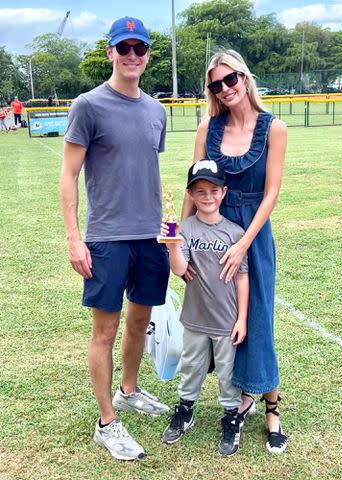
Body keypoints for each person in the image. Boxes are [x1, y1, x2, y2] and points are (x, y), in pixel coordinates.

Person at [59, 16, 170, 461]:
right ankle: (107, 423)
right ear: (110, 53)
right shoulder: (88, 105)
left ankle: (128, 391)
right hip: (106, 238)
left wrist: (171, 235)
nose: (131, 56)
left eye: (139, 49)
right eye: (123, 48)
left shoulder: (156, 110)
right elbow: (68, 175)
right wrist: (73, 238)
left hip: (149, 238)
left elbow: (151, 176)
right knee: (105, 331)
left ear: (146, 56)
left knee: (140, 321)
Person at [182, 50, 288, 454]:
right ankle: (238, 399)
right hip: (212, 233)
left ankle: (271, 406)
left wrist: (244, 240)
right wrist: (181, 241)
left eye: (231, 79)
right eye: (216, 84)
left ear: (245, 77)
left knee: (257, 316)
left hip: (253, 235)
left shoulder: (274, 127)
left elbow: (272, 192)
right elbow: (193, 187)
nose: (224, 89)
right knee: (222, 318)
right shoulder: (208, 127)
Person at [162, 159, 249, 457]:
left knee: (227, 373)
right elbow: (179, 269)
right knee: (191, 367)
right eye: (200, 191)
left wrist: (243, 319)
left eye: (213, 190)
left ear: (223, 192)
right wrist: (173, 243)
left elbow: (242, 278)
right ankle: (185, 410)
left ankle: (230, 417)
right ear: (190, 195)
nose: (207, 196)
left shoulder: (236, 233)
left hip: (227, 321)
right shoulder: (184, 228)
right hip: (195, 319)